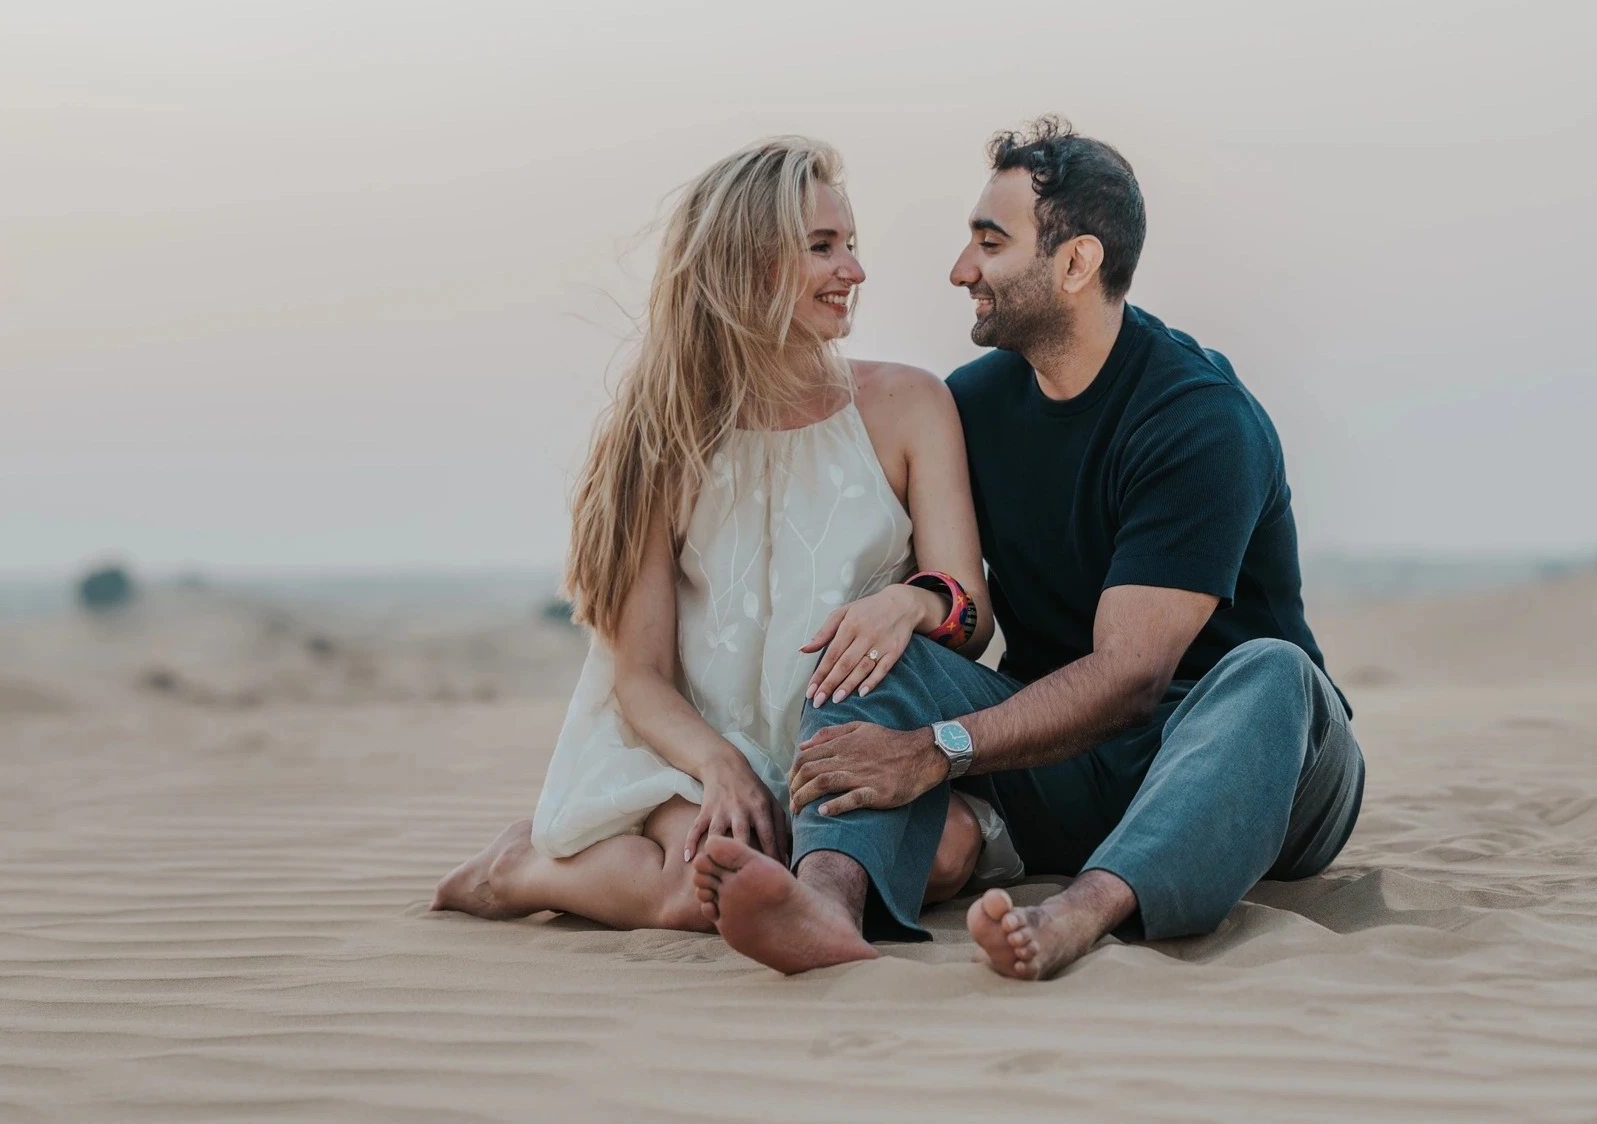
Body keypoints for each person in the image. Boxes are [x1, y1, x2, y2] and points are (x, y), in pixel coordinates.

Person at [693, 117, 1366, 979]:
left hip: (1252, 770)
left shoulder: (1198, 421)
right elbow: (949, 594)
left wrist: (936, 750)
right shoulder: (973, 405)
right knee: (869, 652)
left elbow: (1132, 679)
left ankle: (1083, 911)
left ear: (1076, 264)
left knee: (1274, 671)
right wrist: (906, 605)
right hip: (1066, 763)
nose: (960, 269)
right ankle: (825, 899)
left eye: (990, 242)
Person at [432, 137, 1009, 931]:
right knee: (700, 891)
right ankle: (519, 866)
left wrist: (913, 604)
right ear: (747, 264)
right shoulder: (661, 439)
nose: (854, 270)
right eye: (822, 246)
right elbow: (641, 676)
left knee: (944, 856)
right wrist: (720, 767)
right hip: (688, 749)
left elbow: (970, 619)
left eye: (850, 243)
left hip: (847, 749)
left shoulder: (910, 405)